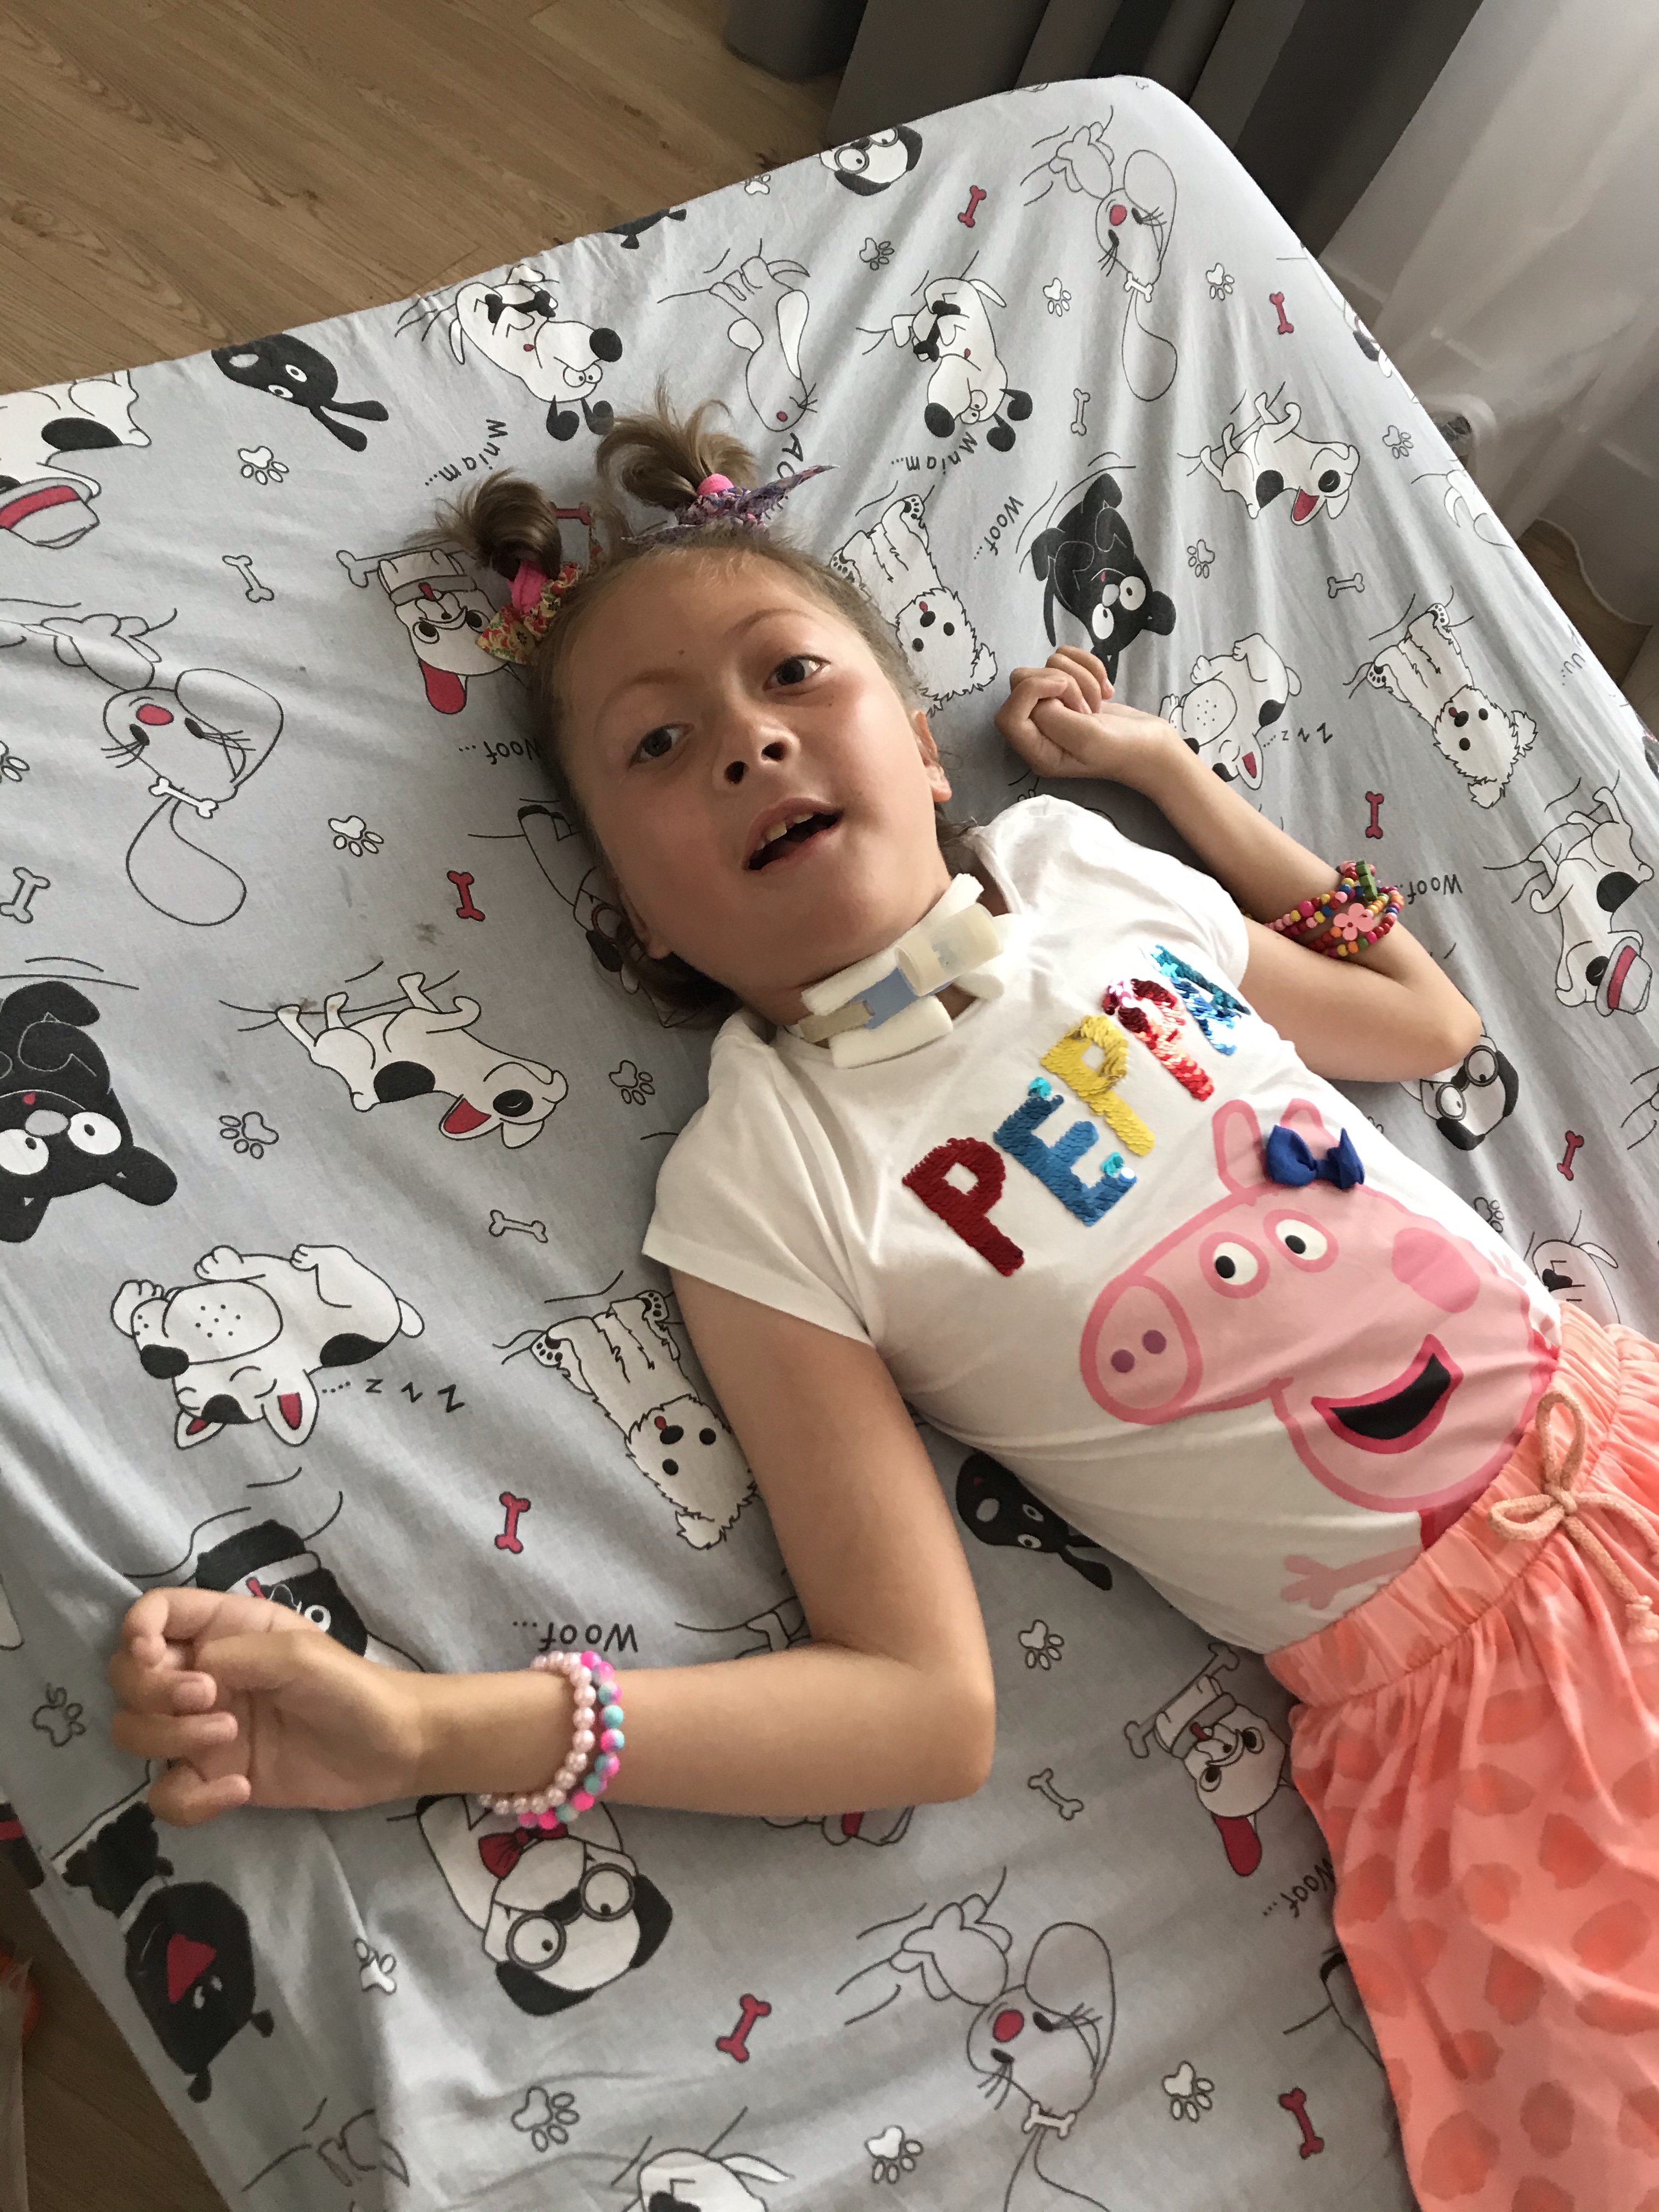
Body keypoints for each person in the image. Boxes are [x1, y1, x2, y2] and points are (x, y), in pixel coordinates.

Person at [110, 394, 1659, 2207]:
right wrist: (430, 1732)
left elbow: (1423, 1018)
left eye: (793, 676)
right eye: (661, 744)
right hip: (1475, 1720)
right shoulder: (763, 1191)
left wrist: (1172, 778)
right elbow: (921, 1711)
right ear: (633, 917)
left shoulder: (1087, 876)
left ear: (923, 751)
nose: (750, 743)